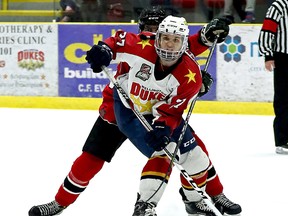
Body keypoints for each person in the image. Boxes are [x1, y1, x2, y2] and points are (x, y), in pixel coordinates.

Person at [28, 6, 240, 216]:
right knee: (92, 157)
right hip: (119, 108)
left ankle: (209, 195)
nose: (156, 33)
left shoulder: (170, 47)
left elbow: (183, 52)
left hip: (155, 111)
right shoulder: (141, 46)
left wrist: (204, 38)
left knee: (192, 149)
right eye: (151, 28)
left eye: (160, 28)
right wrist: (104, 50)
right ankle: (60, 202)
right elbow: (120, 45)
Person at [258, 0, 288, 155]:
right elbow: (267, 30)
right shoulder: (279, 5)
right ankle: (283, 140)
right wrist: (268, 55)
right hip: (284, 57)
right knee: (283, 98)